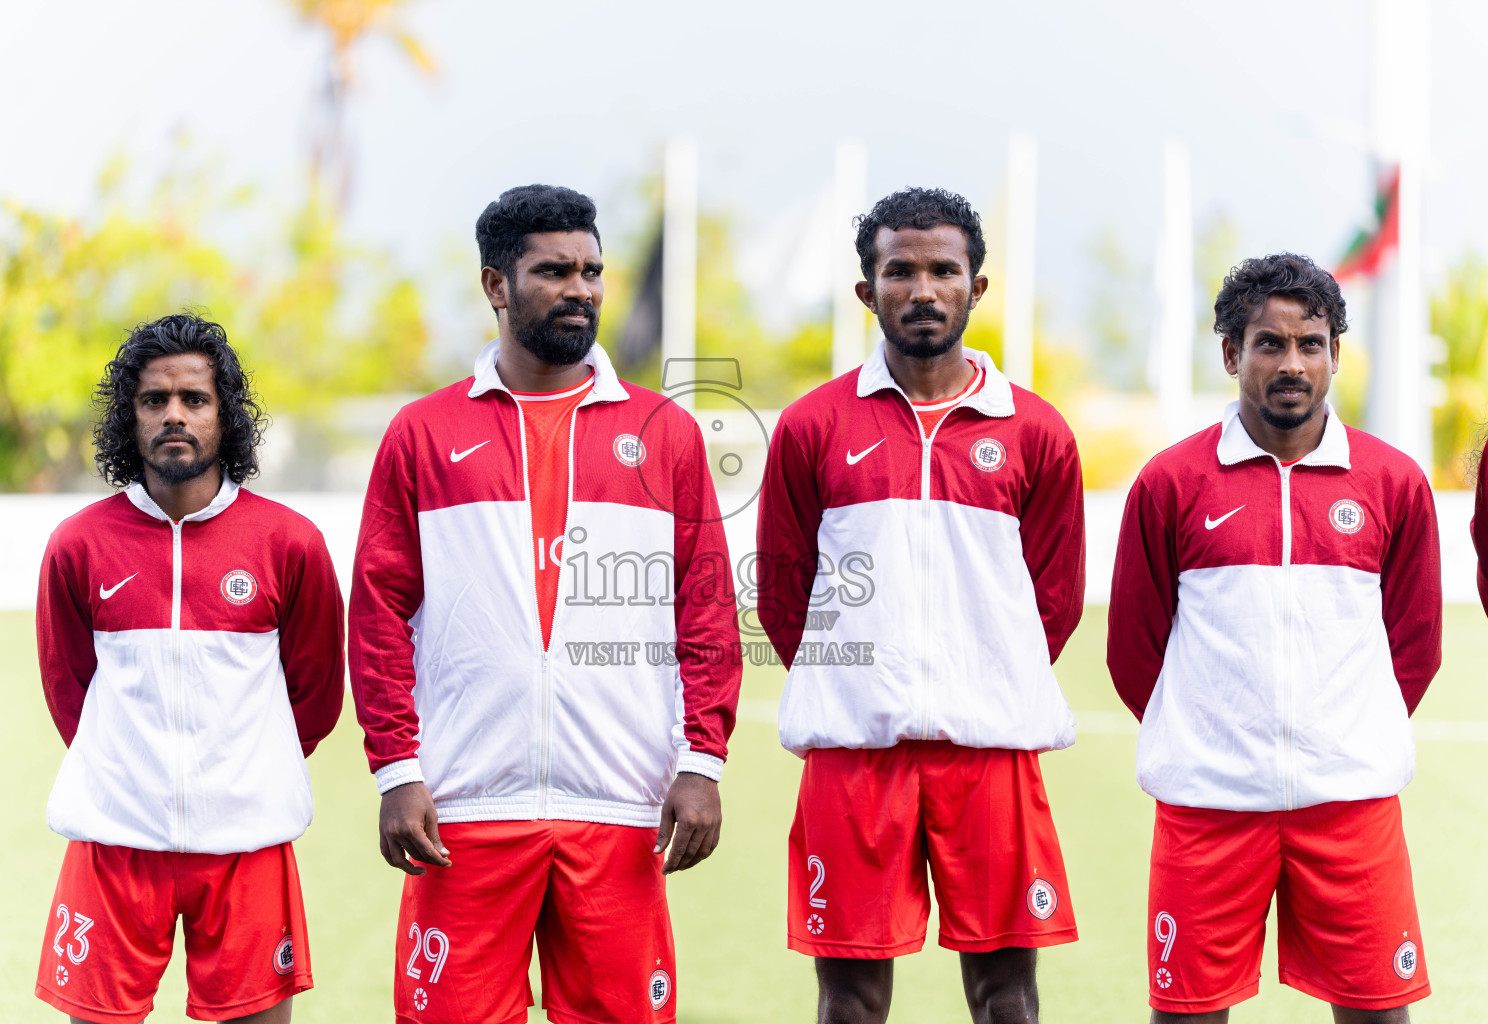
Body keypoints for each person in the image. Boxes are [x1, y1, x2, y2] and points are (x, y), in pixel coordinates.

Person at [349, 184, 741, 1024]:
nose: (582, 289)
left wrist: (701, 761)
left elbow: (703, 606)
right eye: (554, 270)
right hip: (463, 808)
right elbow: (378, 611)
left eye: (593, 270)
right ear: (496, 284)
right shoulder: (422, 433)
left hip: (618, 802)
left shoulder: (663, 430)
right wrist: (397, 771)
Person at [755, 186, 1086, 1024]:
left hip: (991, 749)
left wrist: (984, 675)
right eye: (900, 271)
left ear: (978, 287)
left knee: (1007, 992)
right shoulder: (812, 426)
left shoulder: (1035, 431)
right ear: (867, 291)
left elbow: (1055, 596)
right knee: (852, 998)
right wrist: (858, 681)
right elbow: (785, 591)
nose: (924, 289)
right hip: (855, 752)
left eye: (945, 269)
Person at [1108, 253, 1441, 1023]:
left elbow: (1415, 646)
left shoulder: (1391, 482)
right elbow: (1134, 651)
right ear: (1231, 353)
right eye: (1269, 343)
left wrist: (1344, 738)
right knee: (1188, 1014)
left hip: (1351, 808)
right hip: (1208, 809)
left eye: (1312, 343)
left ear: (1333, 353)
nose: (1293, 364)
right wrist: (1209, 744)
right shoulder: (1171, 483)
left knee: (1380, 1013)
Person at [34, 314, 346, 1024]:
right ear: (129, 417)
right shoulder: (78, 545)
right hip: (114, 840)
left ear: (224, 414)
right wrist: (127, 771)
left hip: (246, 843)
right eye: (154, 400)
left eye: (194, 399)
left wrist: (244, 769)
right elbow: (66, 687)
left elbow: (317, 691)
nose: (174, 414)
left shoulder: (289, 543)